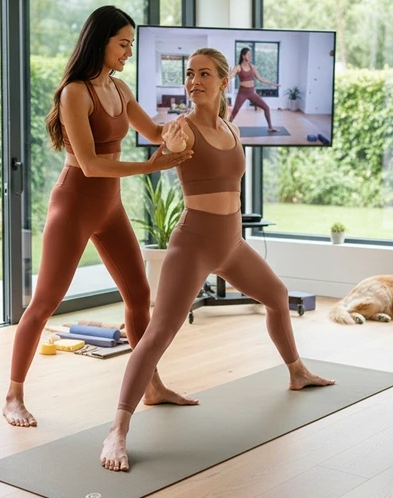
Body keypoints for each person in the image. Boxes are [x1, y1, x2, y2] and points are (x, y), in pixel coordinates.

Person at [100, 47, 335, 472]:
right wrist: (162, 148)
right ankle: (117, 429)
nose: (194, 81)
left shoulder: (230, 127)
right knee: (158, 334)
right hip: (193, 244)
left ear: (224, 81)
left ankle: (297, 371)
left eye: (204, 74)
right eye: (189, 74)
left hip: (231, 243)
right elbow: (160, 157)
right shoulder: (182, 128)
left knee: (278, 296)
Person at [2, 6, 197, 428]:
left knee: (138, 296)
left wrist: (189, 120)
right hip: (73, 205)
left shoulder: (120, 89)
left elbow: (154, 133)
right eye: (123, 43)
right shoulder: (75, 92)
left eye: (131, 44)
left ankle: (151, 384)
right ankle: (13, 395)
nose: (128, 51)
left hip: (110, 208)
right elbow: (89, 164)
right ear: (101, 42)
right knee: (43, 305)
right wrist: (149, 168)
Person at [228, 47, 280, 132]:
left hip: (251, 92)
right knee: (235, 111)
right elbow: (231, 75)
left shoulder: (252, 67)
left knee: (266, 108)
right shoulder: (238, 67)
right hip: (242, 93)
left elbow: (260, 78)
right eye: (248, 55)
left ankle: (270, 127)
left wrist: (273, 84)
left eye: (250, 55)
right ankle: (226, 128)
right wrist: (223, 79)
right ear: (243, 56)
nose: (250, 56)